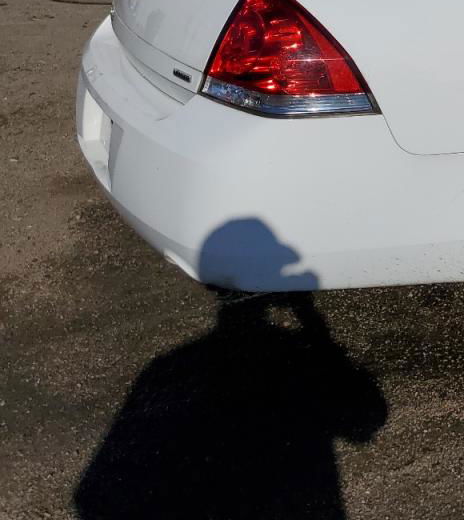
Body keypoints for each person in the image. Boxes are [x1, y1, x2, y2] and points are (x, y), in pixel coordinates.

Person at [74, 220, 387, 520]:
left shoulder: (166, 370)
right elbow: (364, 419)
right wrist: (312, 323)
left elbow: (93, 494)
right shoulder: (293, 356)